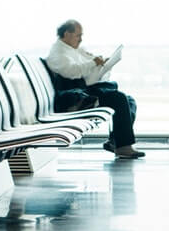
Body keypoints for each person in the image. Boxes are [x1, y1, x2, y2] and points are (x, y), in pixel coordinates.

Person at [46, 19, 145, 159]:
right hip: (76, 98)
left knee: (129, 101)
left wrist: (101, 65)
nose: (80, 39)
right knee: (119, 98)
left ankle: (115, 142)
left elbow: (85, 68)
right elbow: (71, 71)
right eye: (78, 36)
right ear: (67, 34)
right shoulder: (58, 53)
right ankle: (123, 146)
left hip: (83, 90)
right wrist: (93, 63)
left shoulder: (72, 49)